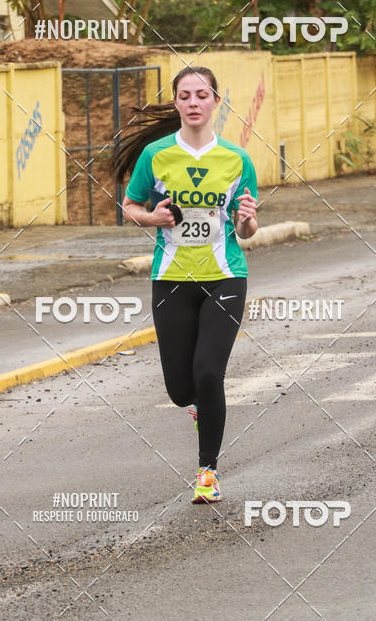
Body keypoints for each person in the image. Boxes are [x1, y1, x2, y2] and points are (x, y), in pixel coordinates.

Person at [115, 66, 258, 504]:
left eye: (202, 94)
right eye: (185, 95)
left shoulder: (237, 159)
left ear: (216, 101)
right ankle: (199, 407)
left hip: (225, 276)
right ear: (176, 103)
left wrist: (247, 220)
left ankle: (207, 472)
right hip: (172, 279)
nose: (194, 102)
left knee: (209, 372)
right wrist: (152, 217)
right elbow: (129, 206)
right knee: (181, 389)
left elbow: (247, 230)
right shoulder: (156, 155)